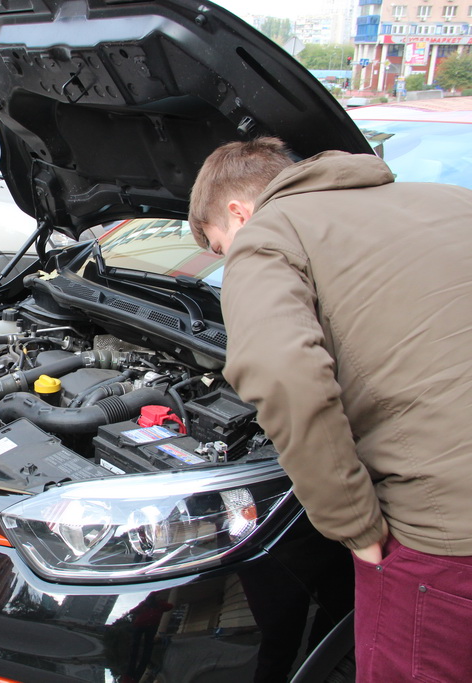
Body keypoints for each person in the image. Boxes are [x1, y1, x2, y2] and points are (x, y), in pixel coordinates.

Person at [188, 136, 472, 681]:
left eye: (221, 250)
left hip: (444, 532)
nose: (228, 263)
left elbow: (281, 373)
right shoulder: (451, 200)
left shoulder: (269, 233)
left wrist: (355, 527)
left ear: (238, 212)